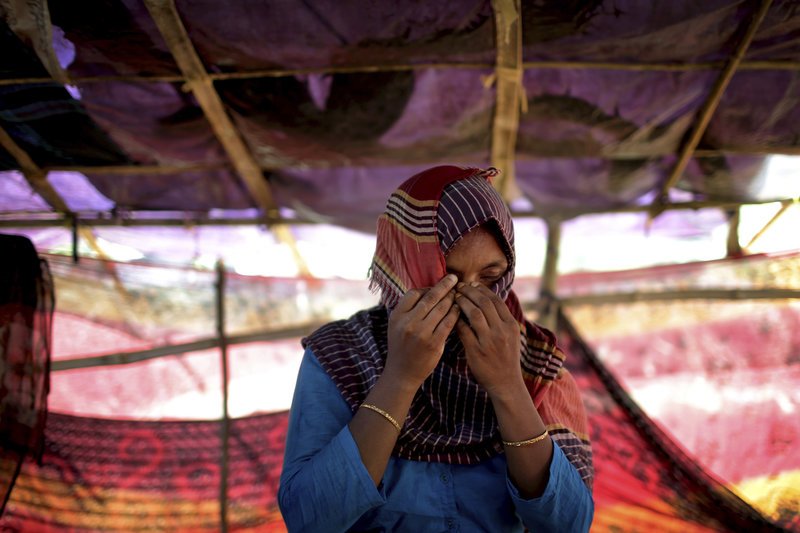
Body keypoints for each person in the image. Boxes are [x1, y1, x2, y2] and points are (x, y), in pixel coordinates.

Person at [278, 165, 594, 532]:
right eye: (445, 278)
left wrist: (508, 385)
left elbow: (569, 525)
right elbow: (309, 520)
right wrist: (400, 377)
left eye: (491, 277)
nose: (469, 296)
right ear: (405, 267)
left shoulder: (535, 363)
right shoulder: (342, 357)